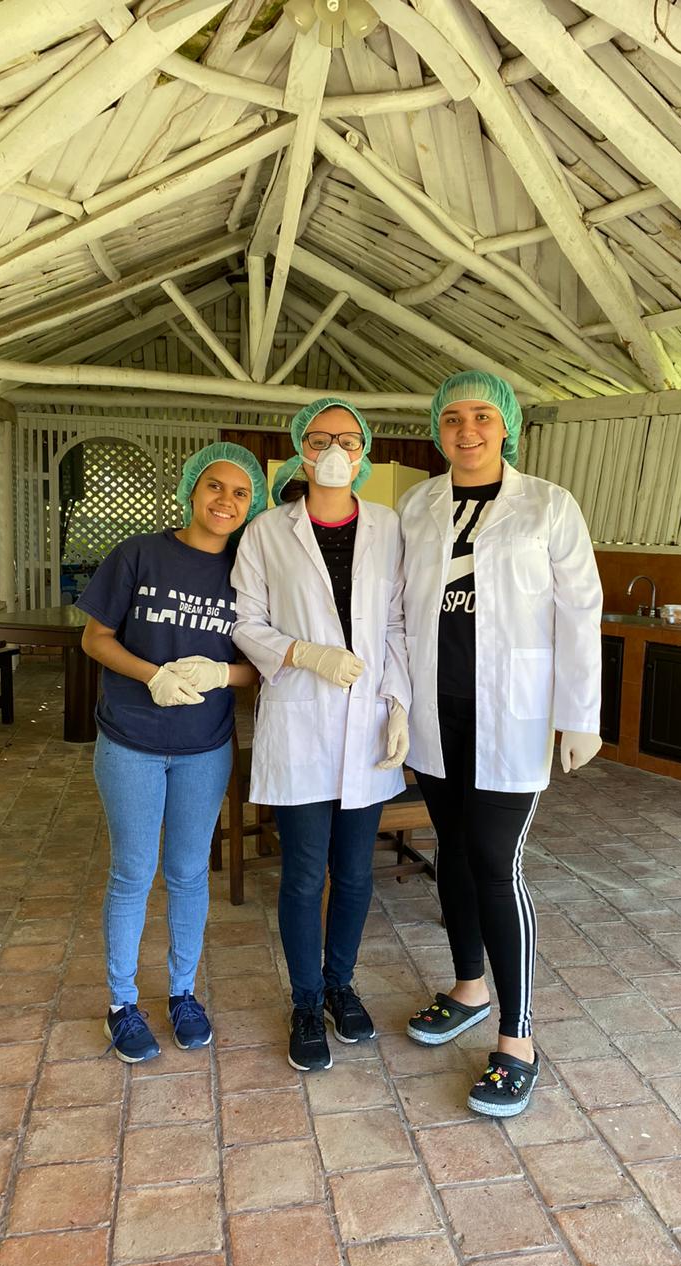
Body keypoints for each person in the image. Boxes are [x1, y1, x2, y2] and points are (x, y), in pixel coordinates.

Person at [398, 371, 602, 1117]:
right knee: (452, 852)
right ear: (438, 429)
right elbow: (398, 610)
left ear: (506, 423)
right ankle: (468, 989)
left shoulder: (548, 504)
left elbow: (580, 611)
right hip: (437, 712)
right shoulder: (417, 505)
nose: (468, 430)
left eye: (482, 415)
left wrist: (580, 715)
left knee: (493, 860)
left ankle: (518, 1041)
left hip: (512, 715)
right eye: (452, 417)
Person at [231, 397, 410, 1072]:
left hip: (367, 722)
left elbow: (397, 624)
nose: (334, 449)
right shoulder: (266, 531)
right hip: (300, 719)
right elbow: (244, 620)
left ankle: (341, 985)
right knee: (305, 873)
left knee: (356, 873)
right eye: (320, 437)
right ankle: (306, 1001)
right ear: (299, 449)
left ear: (365, 452)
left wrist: (399, 703)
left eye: (348, 439)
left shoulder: (389, 527)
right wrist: (303, 654)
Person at [79, 442, 267, 1063]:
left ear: (252, 503)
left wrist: (222, 674)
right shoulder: (139, 554)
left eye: (240, 492)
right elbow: (95, 638)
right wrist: (151, 674)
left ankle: (183, 993)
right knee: (133, 872)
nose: (226, 500)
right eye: (215, 486)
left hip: (204, 748)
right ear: (191, 489)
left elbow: (262, 665)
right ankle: (122, 1003)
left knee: (188, 873)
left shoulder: (249, 571)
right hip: (131, 740)